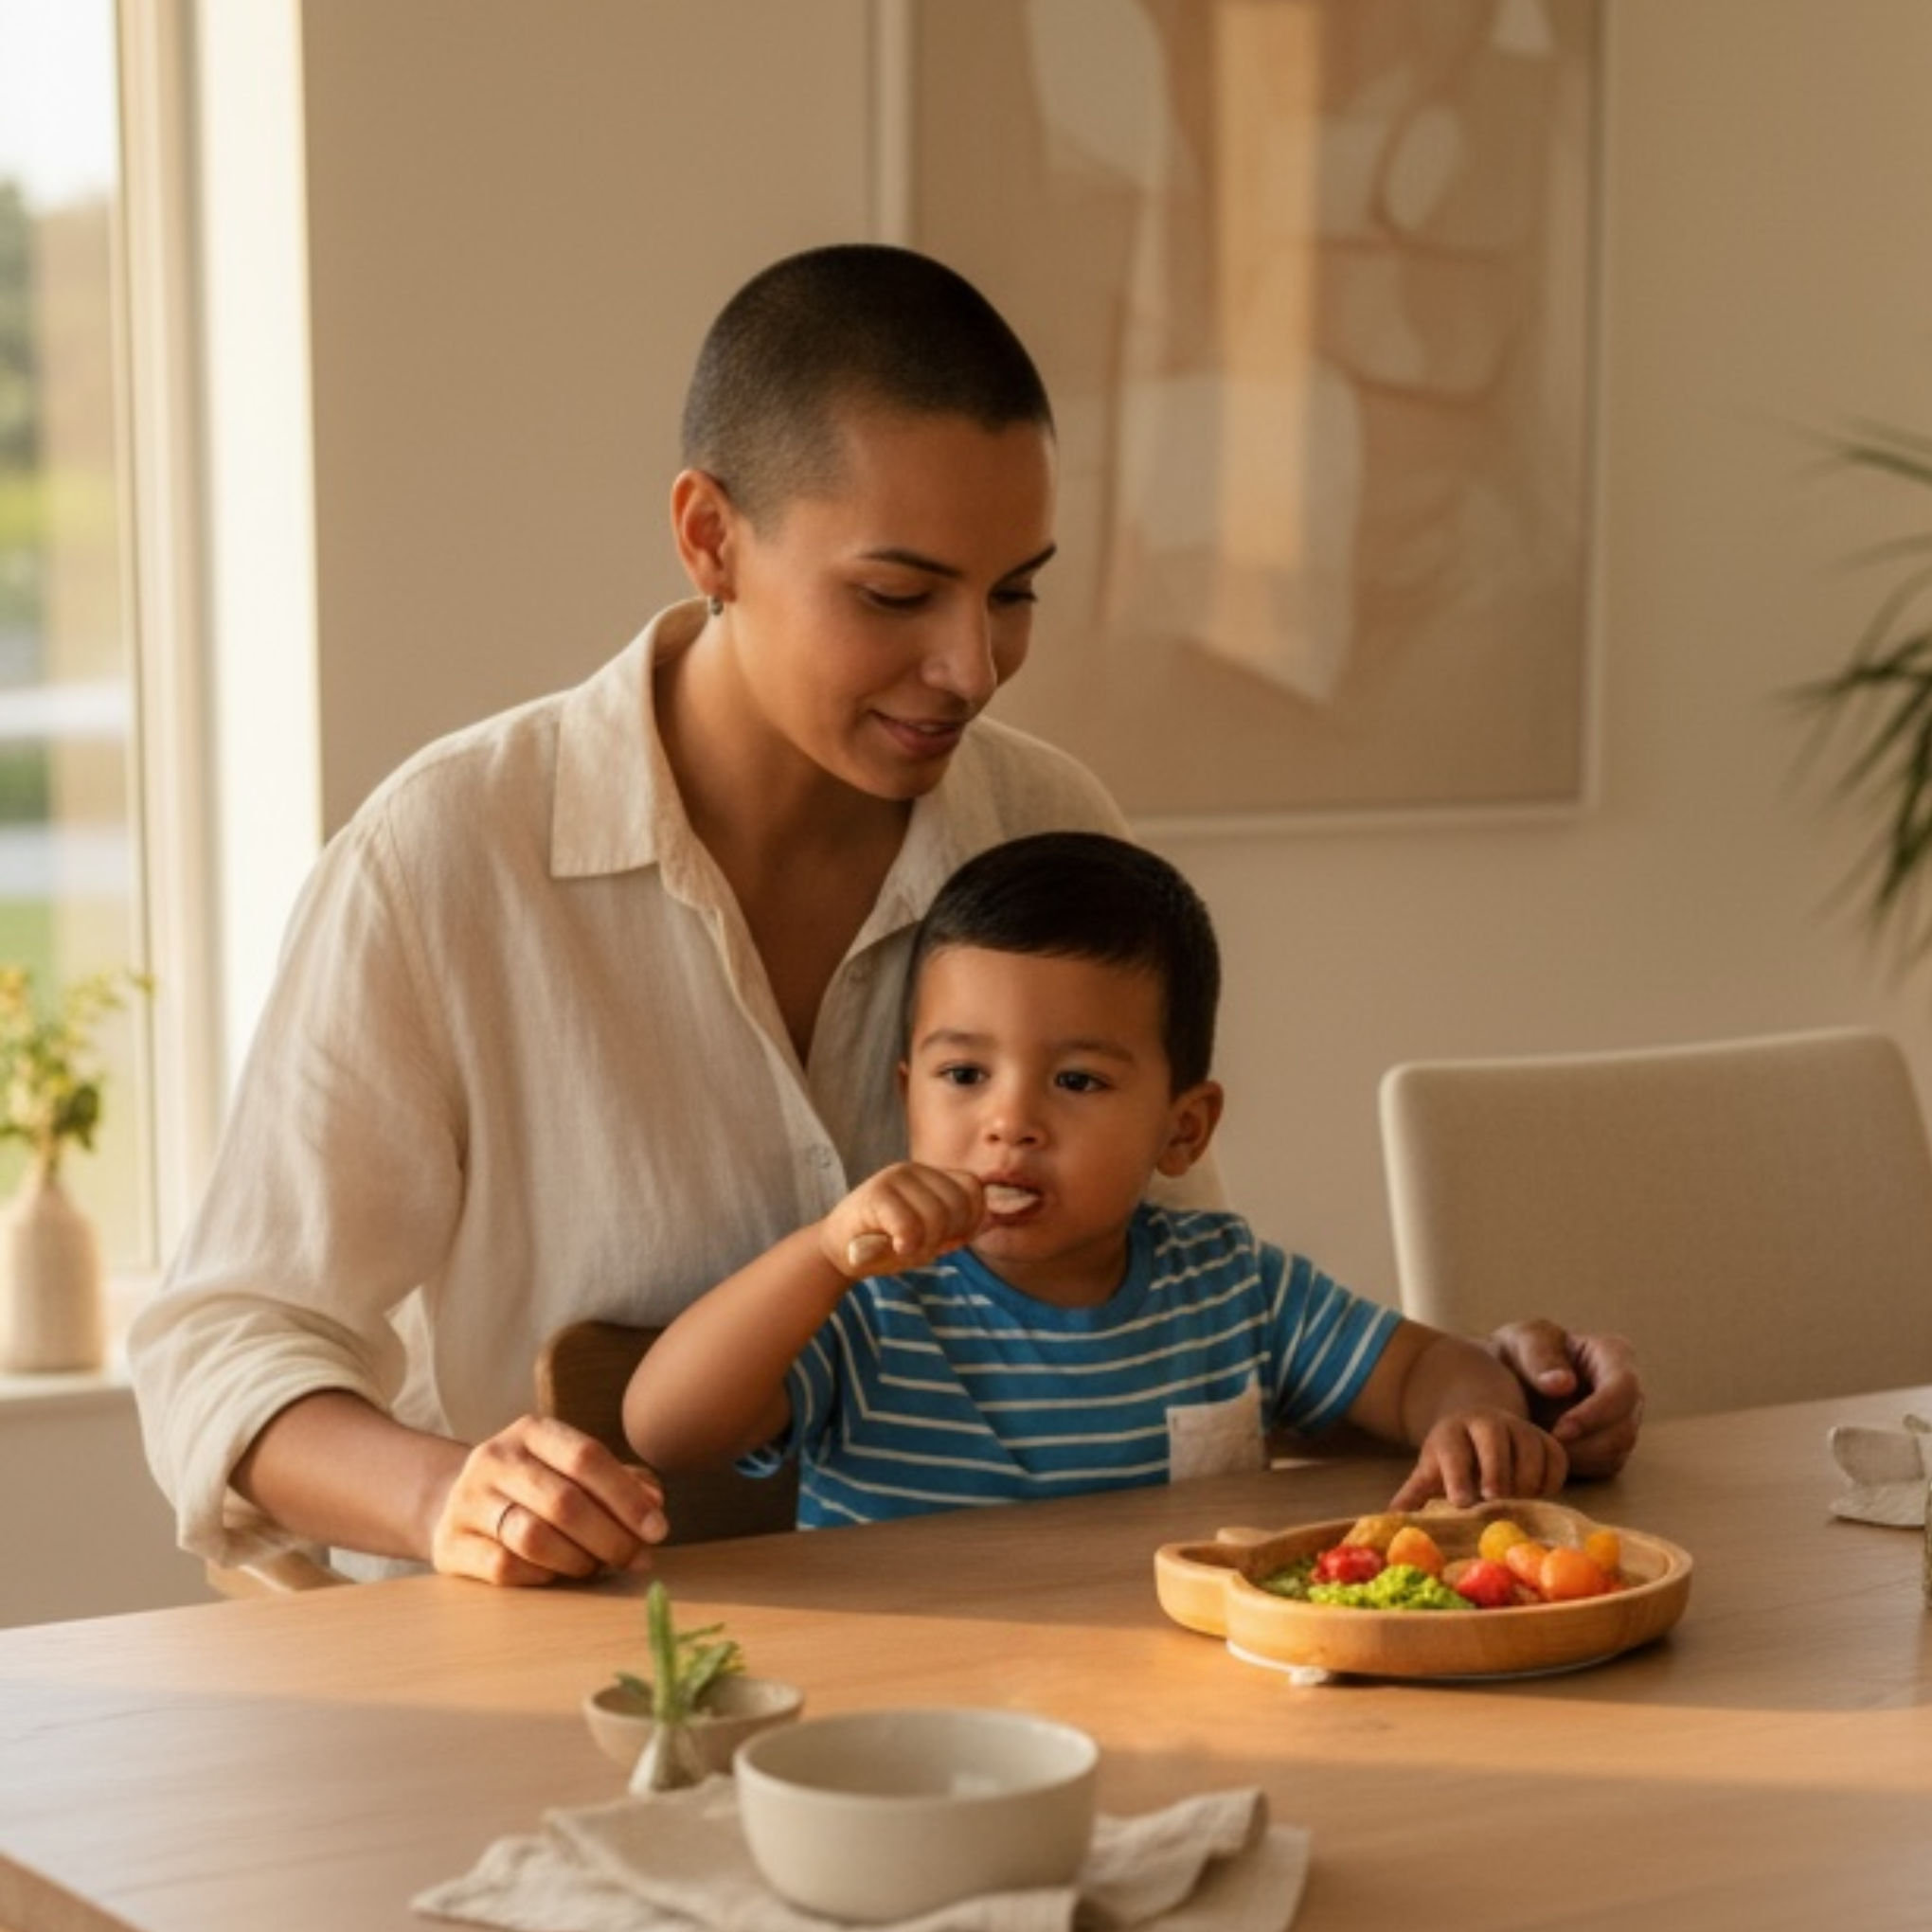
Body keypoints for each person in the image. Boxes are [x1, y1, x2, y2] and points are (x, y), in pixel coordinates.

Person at [129, 242, 1637, 1588]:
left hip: (1019, 1669)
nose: (973, 670)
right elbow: (223, 1343)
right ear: (710, 538)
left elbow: (1175, 1298)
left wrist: (1480, 1391)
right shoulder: (444, 858)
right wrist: (451, 1493)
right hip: (569, 1683)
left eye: (1016, 593)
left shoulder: (1050, 827)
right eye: (899, 595)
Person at [625, 832, 1568, 1523]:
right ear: (909, 1097)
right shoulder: (873, 1304)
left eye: (1077, 1081)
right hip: (911, 1719)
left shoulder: (1230, 1285)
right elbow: (668, 1430)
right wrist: (823, 1254)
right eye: (964, 1076)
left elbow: (1424, 1370)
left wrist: (1472, 1419)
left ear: (1182, 1128)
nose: (1011, 1122)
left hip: (1163, 1705)